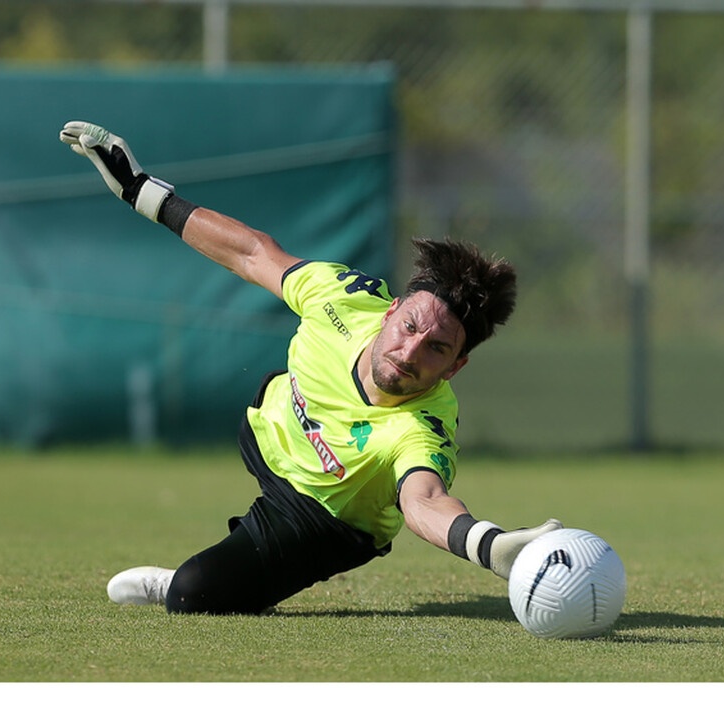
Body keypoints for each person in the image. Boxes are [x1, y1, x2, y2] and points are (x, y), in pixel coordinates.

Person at [59, 121, 562, 615]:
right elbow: (253, 253)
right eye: (409, 327)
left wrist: (489, 545)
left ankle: (182, 581)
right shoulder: (341, 296)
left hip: (322, 517)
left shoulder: (421, 429)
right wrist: (142, 191)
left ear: (455, 368)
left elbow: (423, 502)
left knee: (192, 594)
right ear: (391, 310)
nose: (410, 352)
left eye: (437, 349)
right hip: (268, 429)